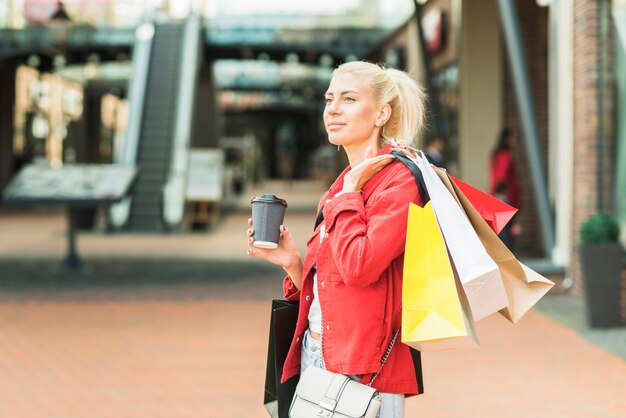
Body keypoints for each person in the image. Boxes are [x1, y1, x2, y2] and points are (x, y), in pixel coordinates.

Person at [246, 61, 427, 417]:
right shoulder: (341, 185)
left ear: (380, 114)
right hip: (317, 357)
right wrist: (293, 263)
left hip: (364, 371)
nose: (334, 109)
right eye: (330, 99)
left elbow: (360, 267)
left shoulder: (399, 181)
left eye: (349, 99)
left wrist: (348, 194)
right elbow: (332, 288)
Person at [489, 127, 521, 249]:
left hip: (497, 198)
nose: (514, 141)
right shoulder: (505, 155)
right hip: (505, 199)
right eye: (513, 138)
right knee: (507, 238)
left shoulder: (495, 155)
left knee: (500, 234)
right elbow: (502, 177)